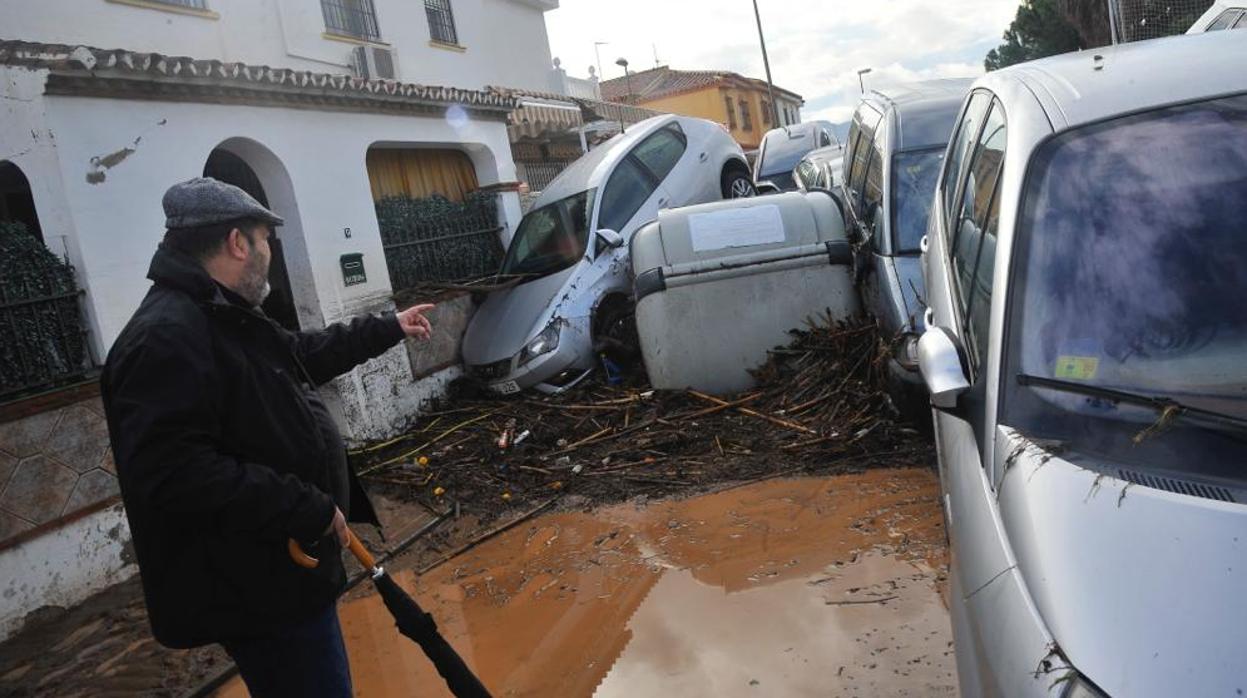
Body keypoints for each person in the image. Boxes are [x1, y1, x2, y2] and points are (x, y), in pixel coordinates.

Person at [101, 177, 434, 697]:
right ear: (237, 243)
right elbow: (176, 474)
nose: (268, 254)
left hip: (284, 574)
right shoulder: (166, 337)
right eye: (265, 241)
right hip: (259, 587)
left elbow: (304, 354)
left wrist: (388, 328)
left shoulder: (223, 317)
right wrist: (306, 508)